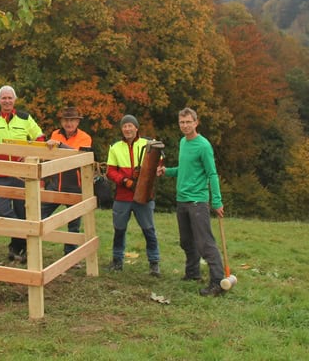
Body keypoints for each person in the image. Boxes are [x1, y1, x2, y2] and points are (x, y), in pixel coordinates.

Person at [157, 107, 225, 296]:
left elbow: (212, 174)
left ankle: (218, 282)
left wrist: (217, 201)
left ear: (196, 122)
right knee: (187, 241)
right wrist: (167, 171)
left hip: (198, 202)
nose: (185, 125)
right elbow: (185, 168)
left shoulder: (203, 146)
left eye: (188, 122)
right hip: (182, 200)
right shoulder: (183, 142)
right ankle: (193, 273)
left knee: (205, 243)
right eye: (182, 122)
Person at [0, 84, 45, 262]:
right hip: (1, 174)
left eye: (10, 98)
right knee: (1, 209)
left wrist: (30, 154)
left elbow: (40, 137)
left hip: (22, 174)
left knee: (23, 212)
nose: (7, 101)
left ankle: (18, 249)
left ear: (14, 100)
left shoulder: (25, 118)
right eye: (3, 98)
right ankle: (22, 239)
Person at [106, 114, 161, 276]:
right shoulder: (115, 147)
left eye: (130, 126)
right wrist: (124, 181)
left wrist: (155, 171)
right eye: (124, 126)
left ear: (136, 128)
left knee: (148, 229)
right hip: (123, 195)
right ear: (121, 129)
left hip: (144, 195)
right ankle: (117, 260)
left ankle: (154, 262)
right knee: (119, 229)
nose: (127, 129)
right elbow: (110, 171)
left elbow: (159, 161)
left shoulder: (148, 144)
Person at [42, 106, 93, 255]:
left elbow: (77, 156)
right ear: (62, 122)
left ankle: (70, 254)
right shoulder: (55, 134)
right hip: (56, 184)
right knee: (39, 215)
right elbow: (48, 156)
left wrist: (60, 146)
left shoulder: (85, 137)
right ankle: (33, 248)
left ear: (78, 122)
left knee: (74, 225)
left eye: (72, 120)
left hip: (75, 186)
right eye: (66, 120)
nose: (68, 123)